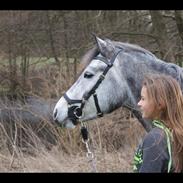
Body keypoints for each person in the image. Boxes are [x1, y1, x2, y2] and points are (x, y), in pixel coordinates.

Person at [133, 73, 183, 173]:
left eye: (143, 99)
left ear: (160, 104)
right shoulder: (176, 132)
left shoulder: (155, 139)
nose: (139, 103)